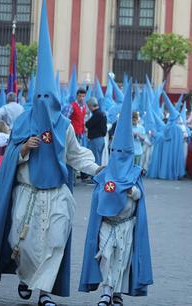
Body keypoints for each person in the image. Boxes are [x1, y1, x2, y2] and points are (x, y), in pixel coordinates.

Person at [0, 2, 101, 305]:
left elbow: (76, 155)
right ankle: (28, 278)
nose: (42, 101)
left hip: (56, 194)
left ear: (53, 96)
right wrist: (23, 149)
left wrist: (98, 170)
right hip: (26, 194)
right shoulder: (24, 122)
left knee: (55, 242)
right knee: (21, 243)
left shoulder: (64, 125)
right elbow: (10, 154)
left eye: (47, 96)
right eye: (38, 95)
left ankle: (42, 293)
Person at [79, 83, 152, 306]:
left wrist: (131, 190)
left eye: (124, 152)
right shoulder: (105, 172)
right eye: (116, 152)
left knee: (122, 258)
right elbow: (99, 195)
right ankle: (106, 291)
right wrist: (106, 187)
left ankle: (116, 292)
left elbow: (139, 196)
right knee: (105, 255)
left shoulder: (135, 172)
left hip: (126, 224)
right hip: (107, 223)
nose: (119, 156)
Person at [85, 97, 107, 166]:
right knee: (99, 158)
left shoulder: (97, 114)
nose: (89, 108)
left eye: (88, 107)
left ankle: (95, 176)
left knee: (95, 159)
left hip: (95, 140)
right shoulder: (102, 113)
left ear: (91, 106)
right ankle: (98, 175)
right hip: (101, 139)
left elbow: (88, 124)